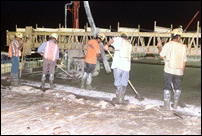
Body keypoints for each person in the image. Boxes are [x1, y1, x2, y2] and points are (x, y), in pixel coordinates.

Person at [157, 28, 187, 110]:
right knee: (177, 88)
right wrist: (182, 71)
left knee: (167, 87)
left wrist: (160, 46)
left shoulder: (168, 45)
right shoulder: (183, 47)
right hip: (179, 71)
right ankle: (175, 105)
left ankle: (166, 106)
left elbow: (161, 55)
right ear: (179, 37)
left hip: (168, 70)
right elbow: (184, 61)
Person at [104, 32, 132, 104]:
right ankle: (121, 98)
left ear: (121, 36)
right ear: (127, 38)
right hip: (126, 66)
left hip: (118, 64)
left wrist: (107, 45)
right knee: (124, 82)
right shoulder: (129, 44)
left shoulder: (119, 39)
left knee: (117, 81)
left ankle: (118, 98)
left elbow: (112, 40)